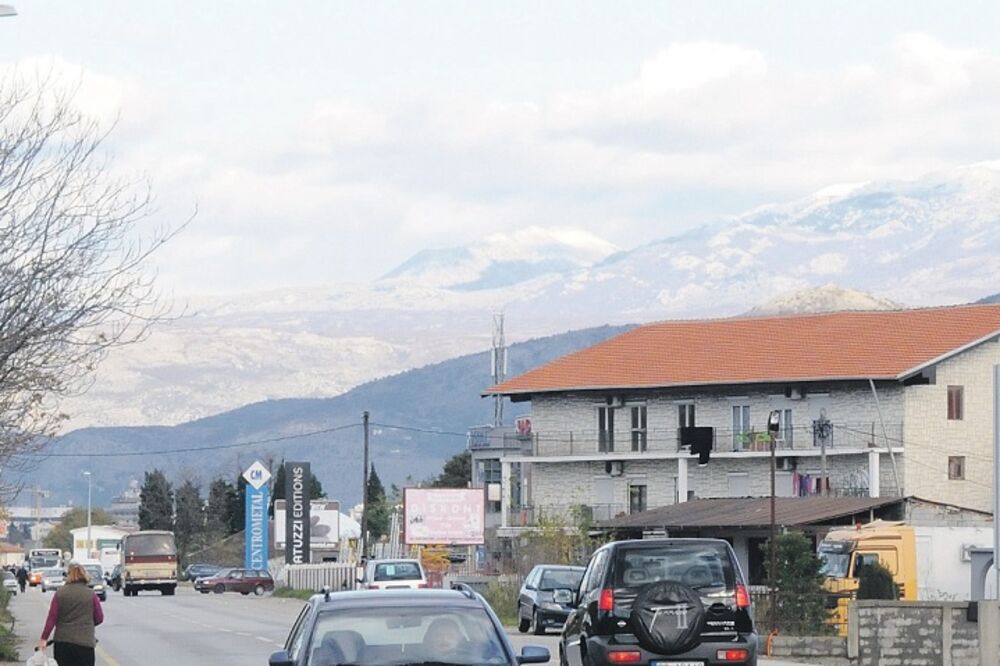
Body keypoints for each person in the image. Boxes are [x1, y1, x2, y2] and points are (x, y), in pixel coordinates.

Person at [36, 562, 104, 666]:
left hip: (63, 642)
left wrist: (44, 638)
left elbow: (52, 618)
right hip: (85, 643)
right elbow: (99, 618)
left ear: (68, 576)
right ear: (84, 575)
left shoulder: (60, 593)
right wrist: (86, 623)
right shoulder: (91, 594)